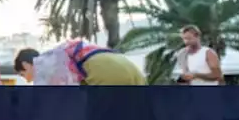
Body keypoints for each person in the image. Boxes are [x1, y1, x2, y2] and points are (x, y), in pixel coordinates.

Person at [14, 40, 146, 85]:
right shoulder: (58, 56)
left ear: (26, 65)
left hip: (107, 75)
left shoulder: (43, 66)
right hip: (128, 66)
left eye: (23, 74)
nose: (27, 80)